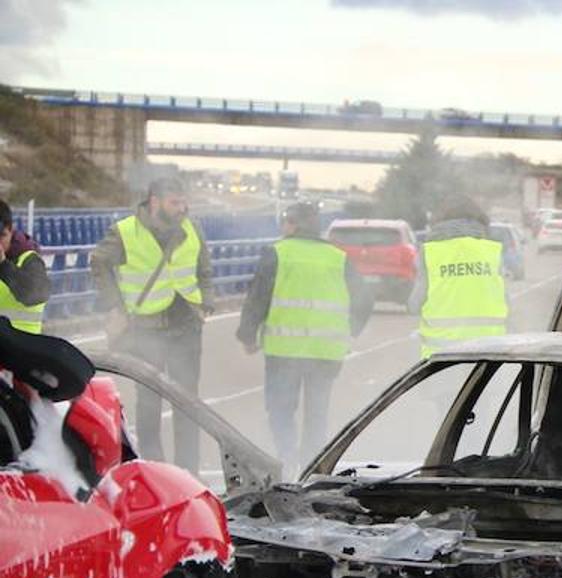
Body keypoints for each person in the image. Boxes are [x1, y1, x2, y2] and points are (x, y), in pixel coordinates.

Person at [91, 176, 213, 476]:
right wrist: (114, 306)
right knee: (149, 405)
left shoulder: (191, 228)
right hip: (146, 329)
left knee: (188, 404)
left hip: (186, 326)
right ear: (154, 201)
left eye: (184, 202)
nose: (182, 208)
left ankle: (189, 474)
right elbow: (98, 263)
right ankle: (155, 474)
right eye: (175, 202)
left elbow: (204, 268)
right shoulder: (124, 232)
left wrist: (205, 301)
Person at [237, 201, 368, 476]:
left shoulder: (277, 253)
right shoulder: (338, 257)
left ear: (292, 224)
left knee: (281, 410)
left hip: (285, 350)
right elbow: (364, 299)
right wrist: (350, 330)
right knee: (317, 415)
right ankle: (312, 468)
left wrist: (248, 335)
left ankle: (285, 460)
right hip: (326, 350)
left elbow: (258, 297)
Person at [410, 197, 507, 358]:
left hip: (441, 357)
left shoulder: (430, 252)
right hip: (488, 353)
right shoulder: (492, 251)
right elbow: (505, 302)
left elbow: (415, 304)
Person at [0, 200, 51, 335]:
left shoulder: (29, 259)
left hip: (22, 346)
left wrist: (4, 266)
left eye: (1, 236)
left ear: (10, 230)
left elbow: (36, 295)